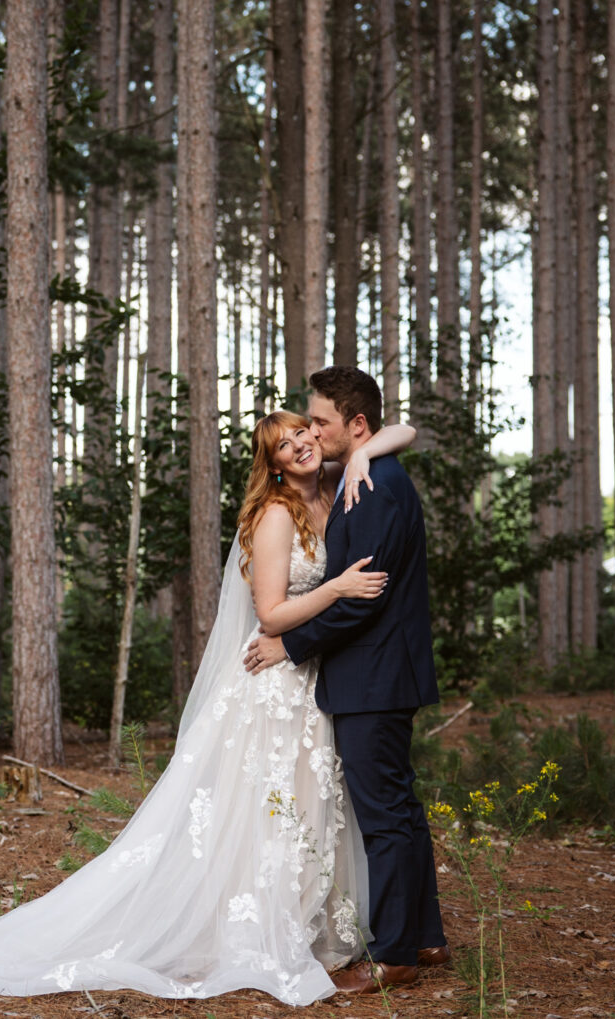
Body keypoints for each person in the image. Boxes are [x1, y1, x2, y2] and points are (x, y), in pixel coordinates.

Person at [0, 406, 417, 1005]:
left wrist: (360, 454)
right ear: (272, 463)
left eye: (307, 431)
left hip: (308, 682)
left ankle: (305, 919)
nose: (302, 442)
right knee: (263, 808)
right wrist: (334, 586)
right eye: (285, 442)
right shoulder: (275, 514)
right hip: (273, 683)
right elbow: (272, 612)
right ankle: (256, 924)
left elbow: (403, 431)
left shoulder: (333, 485)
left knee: (310, 802)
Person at [243, 365, 451, 994]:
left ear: (356, 425)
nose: (312, 433)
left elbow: (362, 600)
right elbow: (400, 431)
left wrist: (290, 646)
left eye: (322, 423)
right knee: (402, 809)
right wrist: (367, 449)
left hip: (374, 677)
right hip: (381, 673)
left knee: (385, 816)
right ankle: (425, 936)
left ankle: (394, 956)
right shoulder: (363, 472)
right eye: (301, 428)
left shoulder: (369, 488)